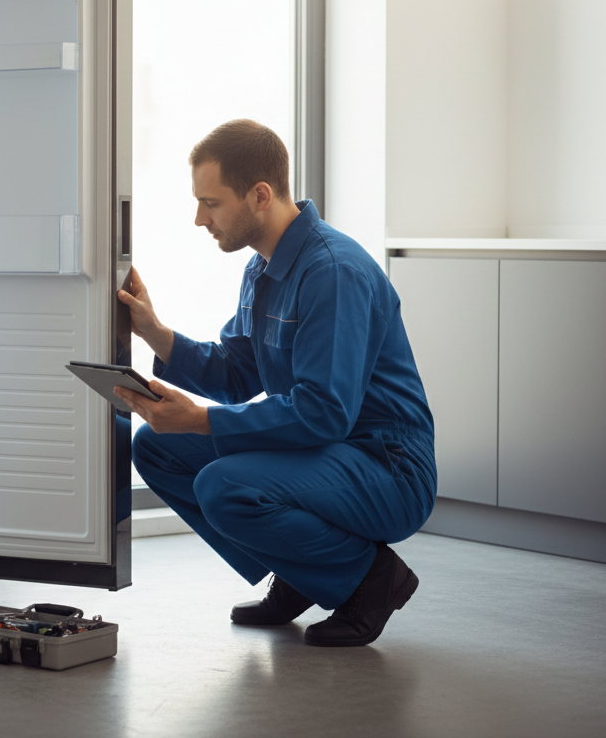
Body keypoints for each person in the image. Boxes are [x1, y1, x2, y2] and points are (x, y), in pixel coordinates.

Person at [113, 119, 437, 647]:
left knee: (224, 485)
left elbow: (323, 412)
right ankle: (304, 572)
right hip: (327, 452)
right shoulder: (262, 268)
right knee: (158, 447)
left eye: (211, 203)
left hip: (387, 468)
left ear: (260, 195)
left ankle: (371, 579)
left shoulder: (333, 271)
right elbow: (237, 374)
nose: (199, 218)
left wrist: (198, 419)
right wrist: (154, 331)